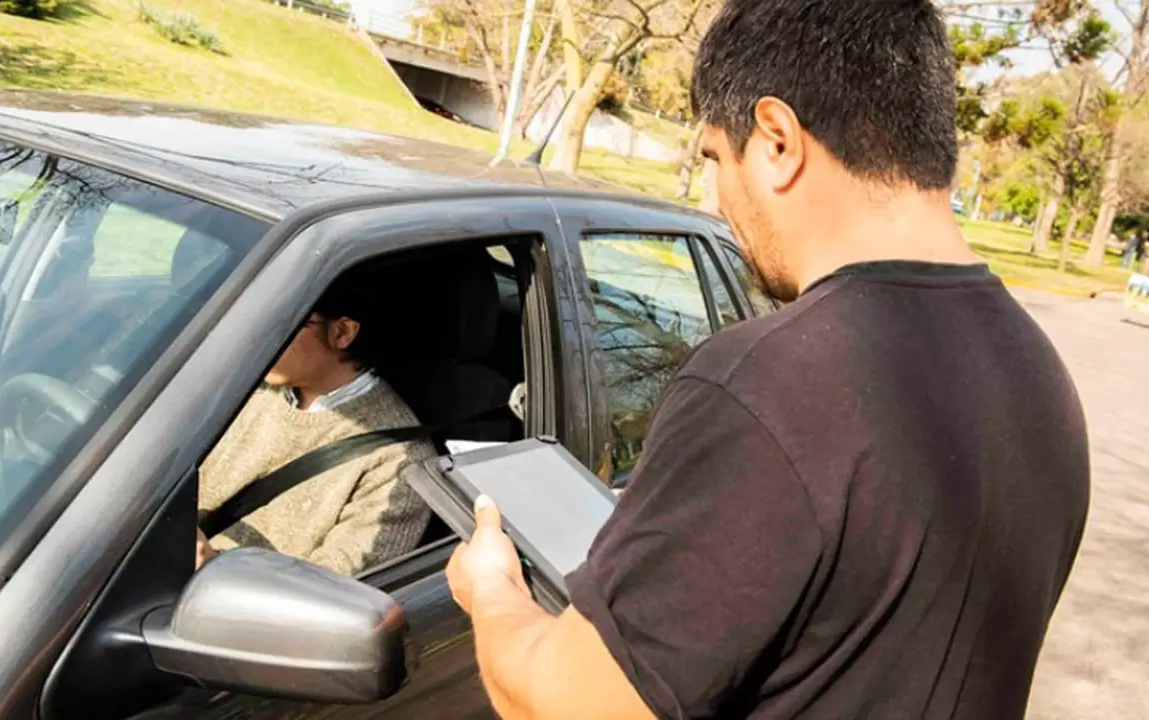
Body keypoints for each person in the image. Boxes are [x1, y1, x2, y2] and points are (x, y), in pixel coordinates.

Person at [445, 1, 1091, 718]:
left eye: (717, 157)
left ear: (778, 141)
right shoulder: (1043, 381)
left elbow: (564, 707)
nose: (717, 198)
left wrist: (492, 589)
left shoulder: (765, 387)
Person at [195, 267, 434, 576]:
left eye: (284, 323)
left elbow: (336, 586)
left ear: (342, 333)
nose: (262, 335)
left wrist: (214, 563)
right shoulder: (249, 388)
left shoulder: (400, 460)